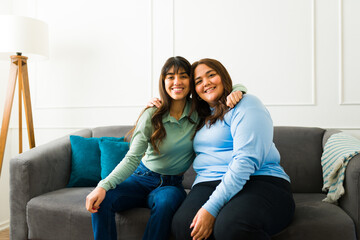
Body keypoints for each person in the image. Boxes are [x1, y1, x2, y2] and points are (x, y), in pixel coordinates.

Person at [85, 56, 247, 240]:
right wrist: (102, 186)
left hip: (170, 185)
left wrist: (238, 90)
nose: (177, 82)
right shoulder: (152, 114)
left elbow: (218, 91)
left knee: (166, 202)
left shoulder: (199, 112)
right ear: (163, 82)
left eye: (183, 76)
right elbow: (132, 157)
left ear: (191, 82)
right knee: (102, 200)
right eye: (170, 77)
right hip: (141, 178)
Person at [171, 58, 295, 240]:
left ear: (223, 77)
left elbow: (246, 161)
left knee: (231, 227)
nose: (206, 83)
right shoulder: (199, 115)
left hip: (260, 180)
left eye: (211, 75)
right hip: (209, 182)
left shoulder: (246, 104)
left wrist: (211, 207)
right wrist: (154, 106)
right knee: (184, 226)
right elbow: (172, 108)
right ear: (194, 90)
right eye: (198, 81)